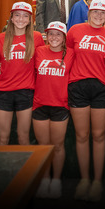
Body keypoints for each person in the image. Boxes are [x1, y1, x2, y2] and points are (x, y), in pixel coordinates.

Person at [66, 0, 105, 202]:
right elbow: (67, 56)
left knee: (99, 135)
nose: (98, 15)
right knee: (82, 135)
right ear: (88, 13)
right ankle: (84, 179)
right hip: (77, 86)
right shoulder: (75, 31)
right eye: (95, 12)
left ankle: (97, 181)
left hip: (102, 88)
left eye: (102, 13)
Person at [0, 2, 44, 145]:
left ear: (30, 20)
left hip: (26, 93)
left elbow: (39, 66)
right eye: (17, 15)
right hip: (3, 92)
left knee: (23, 137)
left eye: (25, 16)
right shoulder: (1, 38)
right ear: (12, 18)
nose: (21, 19)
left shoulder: (37, 37)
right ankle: (0, 167)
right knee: (2, 138)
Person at [33, 21, 72, 199]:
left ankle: (56, 180)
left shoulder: (71, 54)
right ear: (46, 36)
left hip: (60, 106)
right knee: (43, 146)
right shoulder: (39, 51)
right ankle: (44, 179)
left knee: (57, 146)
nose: (54, 37)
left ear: (64, 38)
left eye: (58, 34)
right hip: (40, 104)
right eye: (51, 34)